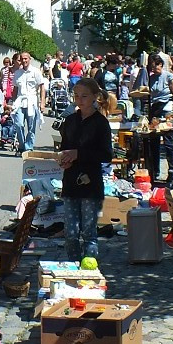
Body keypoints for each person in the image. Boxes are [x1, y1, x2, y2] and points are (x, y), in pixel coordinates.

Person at [58, 79, 112, 262]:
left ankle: (89, 269)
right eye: (76, 96)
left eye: (84, 96)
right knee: (70, 233)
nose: (79, 100)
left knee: (88, 231)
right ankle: (73, 265)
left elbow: (106, 154)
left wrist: (78, 154)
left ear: (95, 97)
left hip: (91, 183)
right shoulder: (70, 120)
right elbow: (65, 147)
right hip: (70, 180)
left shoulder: (101, 123)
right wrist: (64, 159)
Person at [148, 53, 173, 186]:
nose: (154, 68)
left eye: (156, 65)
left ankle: (172, 171)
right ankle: (154, 170)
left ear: (161, 64)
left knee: (169, 142)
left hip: (166, 108)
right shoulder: (151, 78)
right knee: (153, 141)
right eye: (151, 66)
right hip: (154, 108)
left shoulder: (169, 76)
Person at [11, 53, 46, 155]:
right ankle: (21, 146)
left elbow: (42, 87)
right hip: (20, 101)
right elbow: (15, 88)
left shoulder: (36, 71)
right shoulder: (17, 73)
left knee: (31, 126)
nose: (24, 60)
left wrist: (42, 102)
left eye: (26, 58)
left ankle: (28, 147)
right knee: (18, 124)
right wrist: (12, 103)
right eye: (22, 59)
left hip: (31, 102)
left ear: (29, 59)